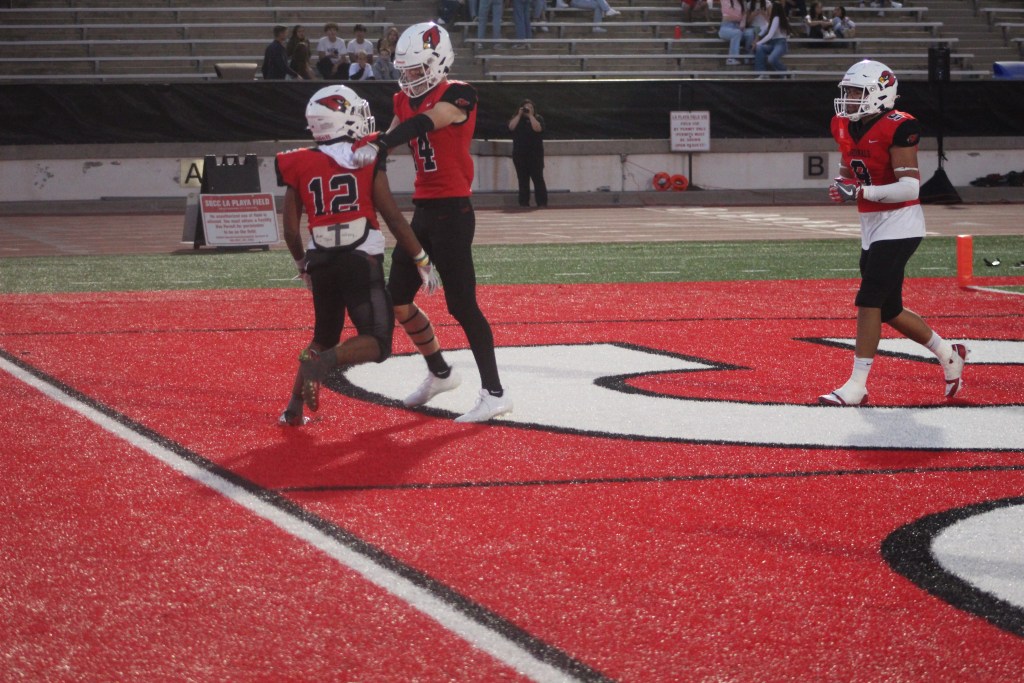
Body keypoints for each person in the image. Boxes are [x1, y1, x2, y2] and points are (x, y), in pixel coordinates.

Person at [352, 22, 513, 423]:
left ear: (439, 62)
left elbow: (427, 121)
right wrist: (361, 151)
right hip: (423, 210)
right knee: (397, 297)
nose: (410, 76)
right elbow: (390, 140)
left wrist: (381, 142)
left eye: (417, 68)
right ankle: (440, 372)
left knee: (462, 305)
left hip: (453, 212)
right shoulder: (403, 100)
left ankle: (495, 393)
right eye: (405, 70)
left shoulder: (459, 93)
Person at [276, 85, 440, 425]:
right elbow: (393, 217)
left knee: (324, 336)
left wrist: (302, 264)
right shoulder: (365, 156)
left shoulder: (298, 161)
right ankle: (321, 364)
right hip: (360, 258)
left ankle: (292, 409)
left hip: (321, 259)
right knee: (378, 342)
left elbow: (290, 230)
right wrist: (421, 259)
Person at [820, 60, 968, 406]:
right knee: (889, 309)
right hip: (871, 224)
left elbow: (909, 187)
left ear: (880, 93)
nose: (850, 99)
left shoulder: (899, 125)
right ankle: (948, 353)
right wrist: (842, 184)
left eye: (857, 92)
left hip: (901, 222)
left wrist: (861, 192)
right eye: (848, 92)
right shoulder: (842, 123)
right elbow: (848, 166)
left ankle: (857, 386)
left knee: (868, 299)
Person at [508, 99, 548, 208]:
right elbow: (511, 127)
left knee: (538, 178)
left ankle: (542, 202)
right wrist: (519, 114)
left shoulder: (538, 118)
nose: (528, 109)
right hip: (520, 155)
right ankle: (523, 202)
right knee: (522, 180)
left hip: (535, 155)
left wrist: (531, 116)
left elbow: (538, 129)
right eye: (526, 107)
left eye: (530, 107)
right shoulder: (516, 119)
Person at [753, 1, 790, 75]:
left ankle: (786, 71)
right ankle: (762, 73)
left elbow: (770, 35)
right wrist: (756, 41)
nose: (768, 10)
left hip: (780, 43)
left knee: (771, 59)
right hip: (773, 43)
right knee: (760, 48)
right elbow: (763, 30)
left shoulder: (776, 18)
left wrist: (757, 43)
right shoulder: (772, 20)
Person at [717, 0, 753, 64]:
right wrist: (739, 18)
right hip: (726, 27)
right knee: (737, 33)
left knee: (750, 33)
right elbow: (731, 15)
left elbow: (744, 14)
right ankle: (732, 59)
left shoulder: (742, 2)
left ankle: (748, 57)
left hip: (738, 27)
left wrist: (742, 23)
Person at [555, 0, 621, 33]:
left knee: (598, 5)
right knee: (598, 5)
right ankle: (607, 10)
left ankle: (597, 26)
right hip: (575, 1)